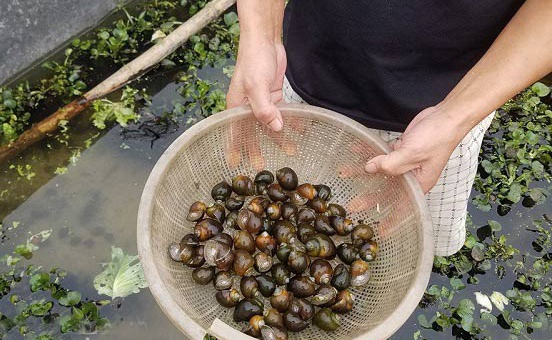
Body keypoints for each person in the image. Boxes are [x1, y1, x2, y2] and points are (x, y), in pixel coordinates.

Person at [226, 0, 552, 256]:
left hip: (445, 120)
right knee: (292, 205)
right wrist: (261, 35)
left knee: (409, 239)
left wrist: (454, 117)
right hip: (302, 75)